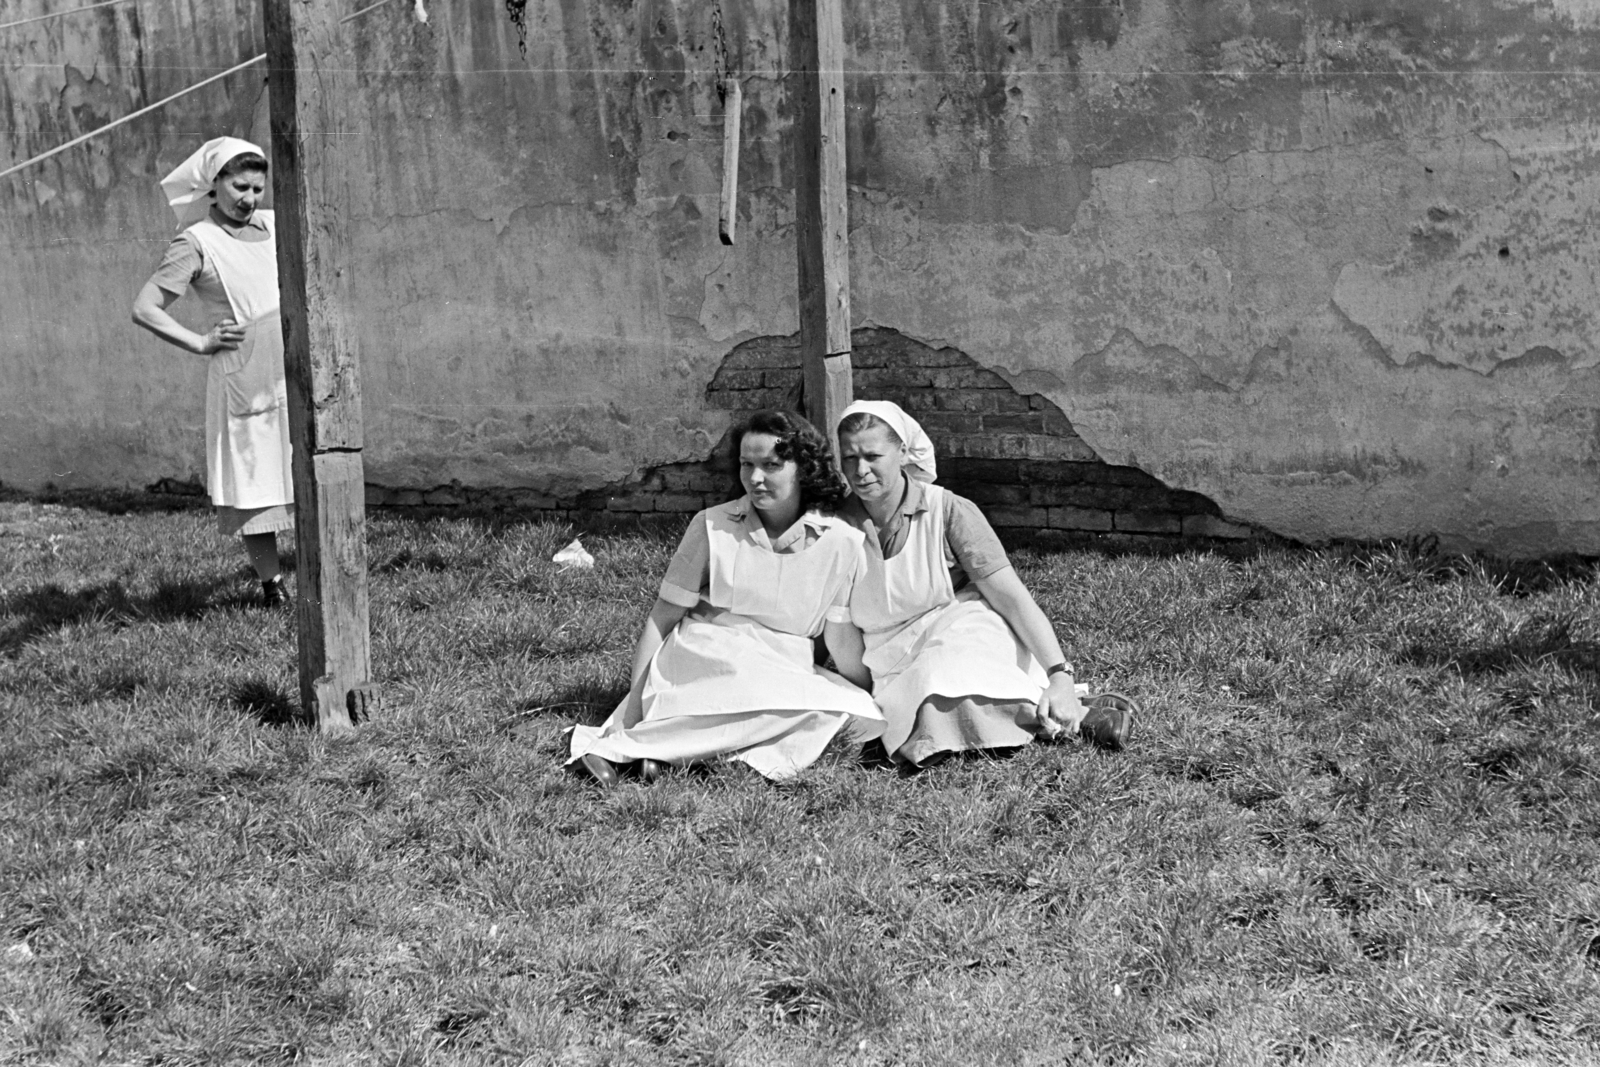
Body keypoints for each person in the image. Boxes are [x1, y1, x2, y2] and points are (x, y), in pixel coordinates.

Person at [568, 410, 885, 786]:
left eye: (771, 465)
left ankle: (668, 758)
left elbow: (839, 636)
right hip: (707, 655)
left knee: (853, 712)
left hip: (783, 668)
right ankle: (622, 748)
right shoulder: (711, 525)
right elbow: (662, 619)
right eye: (746, 464)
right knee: (749, 694)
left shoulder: (842, 542)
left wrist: (868, 691)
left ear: (803, 467)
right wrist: (634, 705)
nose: (755, 478)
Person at [835, 400, 1136, 769]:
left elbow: (1012, 599)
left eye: (872, 456)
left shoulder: (948, 510)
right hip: (885, 652)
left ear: (901, 452)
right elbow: (834, 618)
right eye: (849, 458)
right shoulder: (834, 525)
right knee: (919, 715)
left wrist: (1059, 673)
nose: (860, 470)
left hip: (958, 625)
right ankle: (1080, 713)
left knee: (939, 684)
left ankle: (1071, 709)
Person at [131, 137, 293, 607]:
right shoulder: (197, 241)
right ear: (214, 185)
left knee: (299, 466)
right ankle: (273, 587)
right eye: (239, 187)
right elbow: (145, 308)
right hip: (243, 375)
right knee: (255, 478)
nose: (249, 199)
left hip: (290, 369)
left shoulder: (276, 225)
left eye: (258, 189)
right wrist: (201, 342)